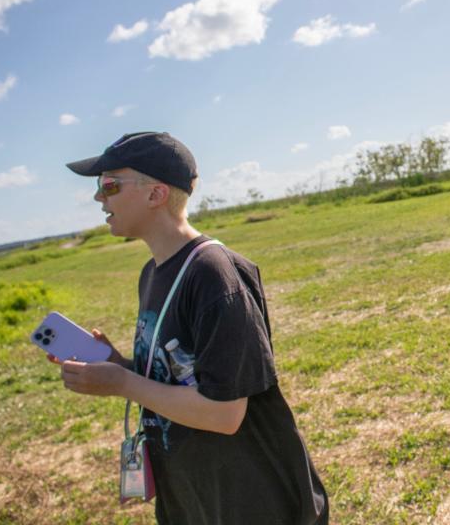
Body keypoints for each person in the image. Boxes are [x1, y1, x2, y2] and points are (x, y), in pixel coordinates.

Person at [55, 131, 329, 524]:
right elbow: (178, 379)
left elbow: (224, 413)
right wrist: (120, 364)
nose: (100, 197)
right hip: (194, 495)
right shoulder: (152, 273)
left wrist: (121, 382)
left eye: (110, 184)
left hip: (252, 501)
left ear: (156, 194)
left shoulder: (215, 276)